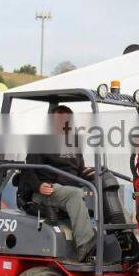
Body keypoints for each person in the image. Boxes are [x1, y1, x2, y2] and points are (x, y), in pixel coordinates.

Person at [20, 106, 96, 262]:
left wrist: (89, 174)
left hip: (71, 189)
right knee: (74, 194)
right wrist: (38, 186)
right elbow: (29, 170)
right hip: (48, 191)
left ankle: (120, 237)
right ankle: (86, 244)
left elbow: (79, 170)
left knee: (104, 185)